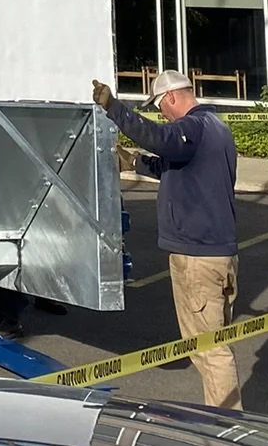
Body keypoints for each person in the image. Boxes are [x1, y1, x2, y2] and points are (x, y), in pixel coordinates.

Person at [93, 68, 242, 411]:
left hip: (197, 257)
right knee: (215, 343)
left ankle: (226, 424)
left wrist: (114, 108)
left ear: (172, 97)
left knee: (209, 350)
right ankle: (225, 416)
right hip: (220, 253)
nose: (161, 114)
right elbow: (172, 163)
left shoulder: (193, 127)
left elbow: (160, 138)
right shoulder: (217, 129)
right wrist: (135, 162)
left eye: (160, 106)